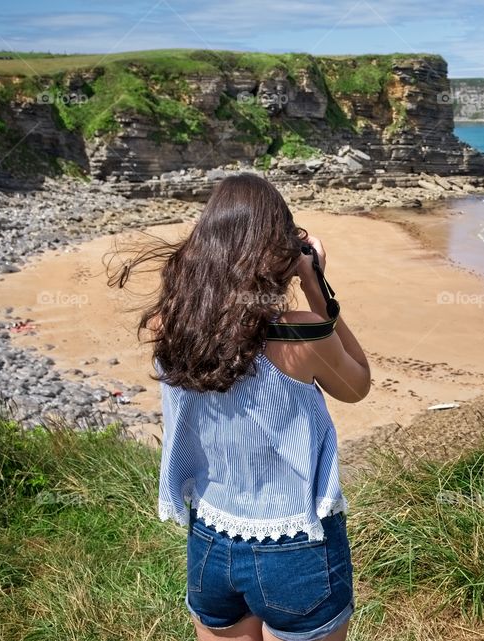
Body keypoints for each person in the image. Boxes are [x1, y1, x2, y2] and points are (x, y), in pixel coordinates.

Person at [118, 174, 369, 641]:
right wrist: (314, 282)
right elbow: (357, 384)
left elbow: (217, 305)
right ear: (278, 253)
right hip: (296, 545)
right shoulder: (298, 334)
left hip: (212, 539)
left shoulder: (168, 326)